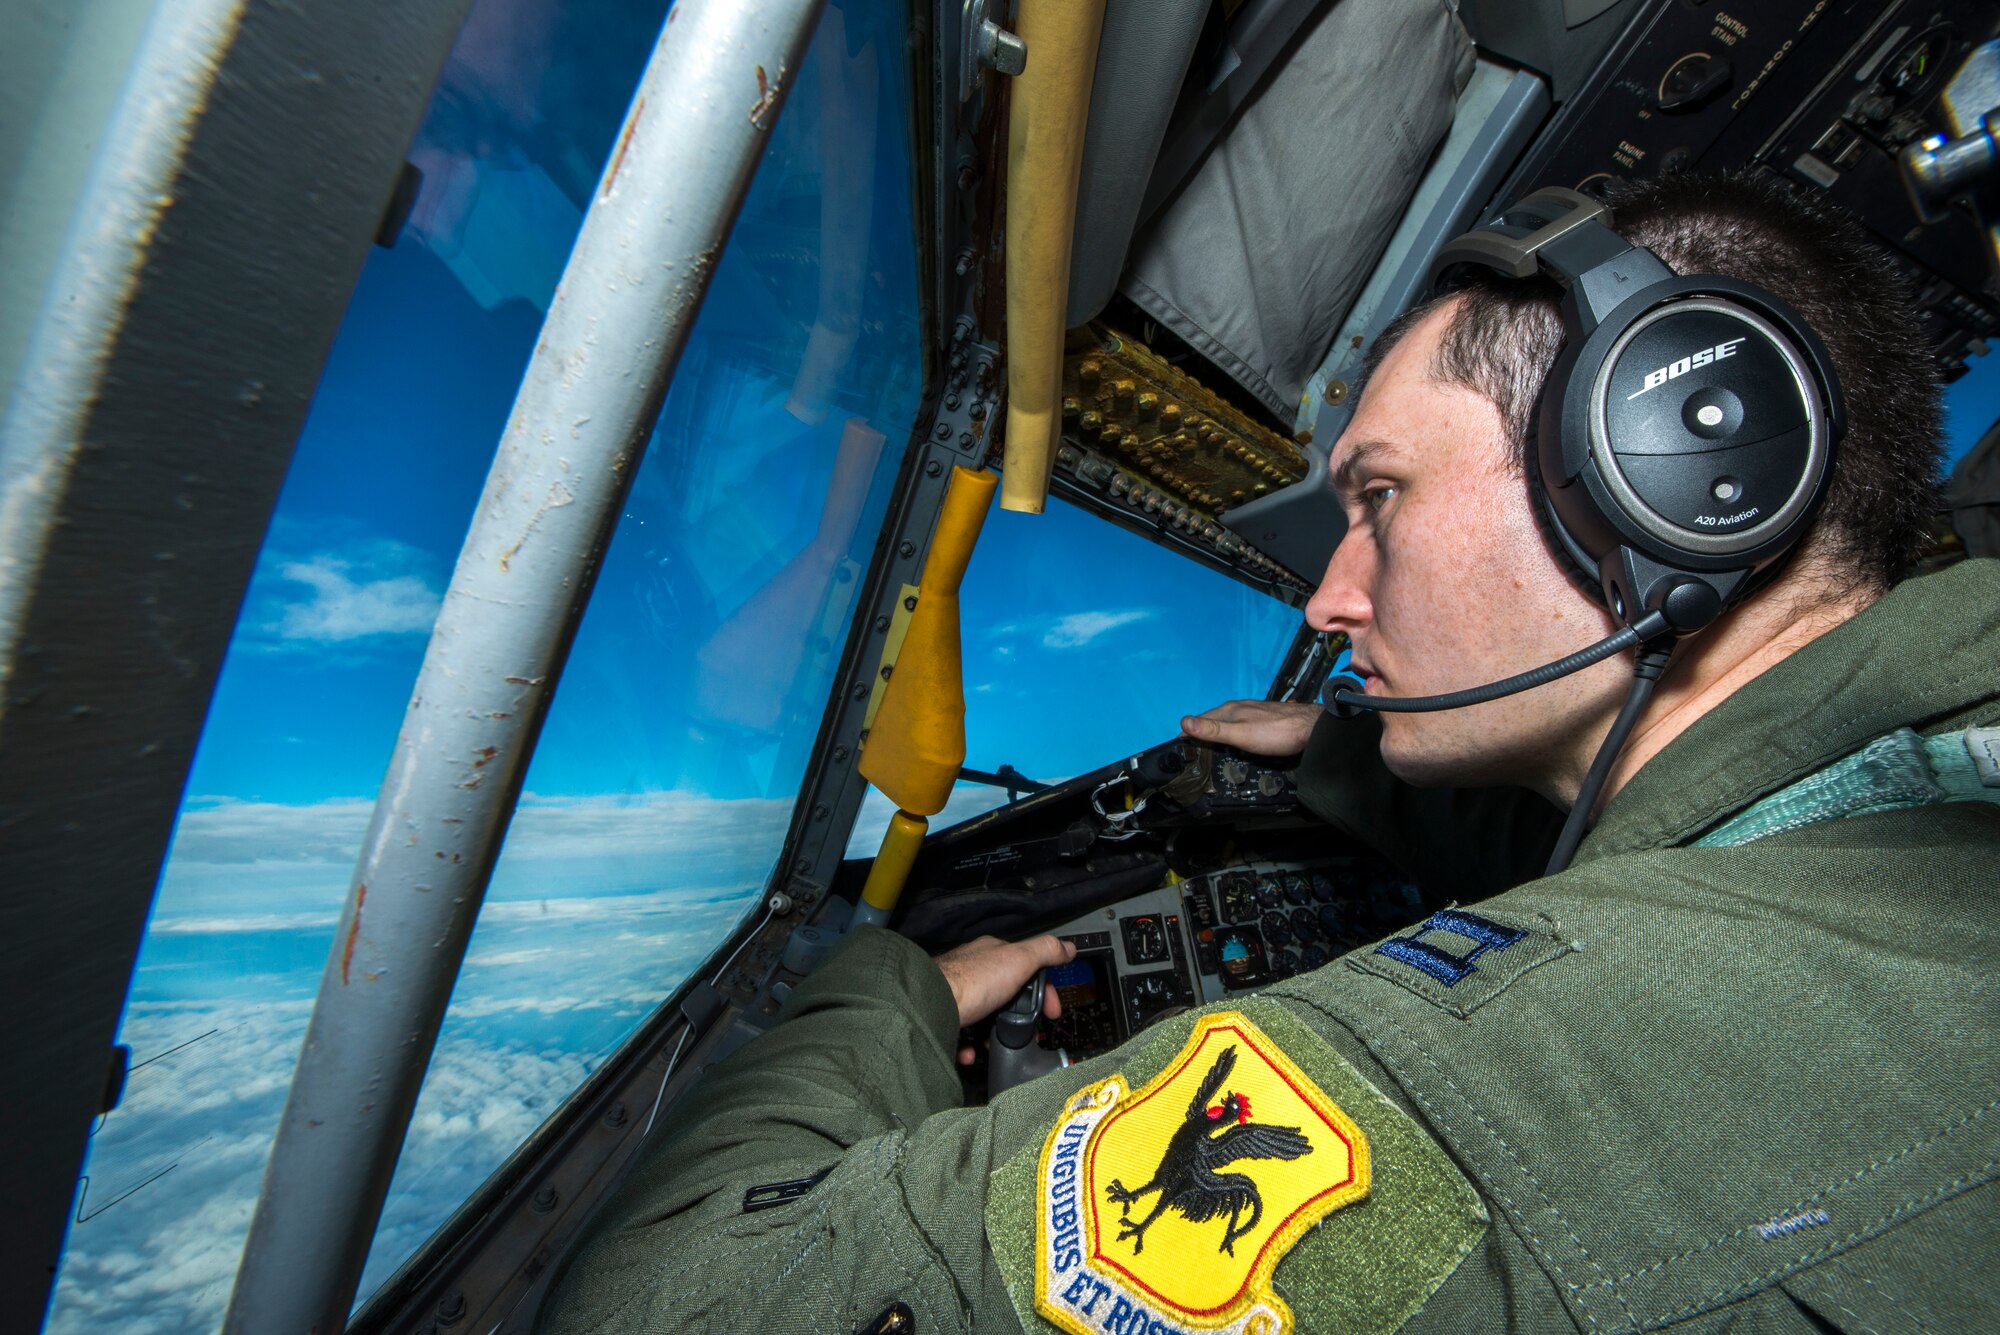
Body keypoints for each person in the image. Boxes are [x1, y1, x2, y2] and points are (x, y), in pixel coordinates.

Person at [540, 174, 1999, 1335]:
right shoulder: (1896, 801)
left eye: (1378, 495)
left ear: (1673, 478)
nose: (1329, 598)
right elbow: (1617, 837)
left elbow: (666, 1307)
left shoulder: (1557, 1061)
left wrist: (888, 990)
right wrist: (1339, 752)